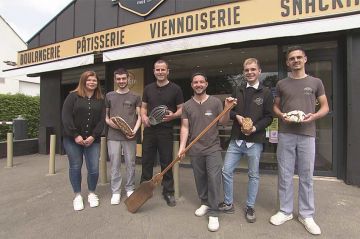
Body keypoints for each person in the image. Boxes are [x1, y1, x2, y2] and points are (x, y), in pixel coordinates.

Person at [269, 46, 329, 235]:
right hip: (286, 133)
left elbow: (325, 107)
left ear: (305, 59)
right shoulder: (282, 84)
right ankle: (285, 211)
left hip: (307, 133)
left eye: (298, 57)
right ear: (287, 62)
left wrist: (314, 116)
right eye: (291, 58)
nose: (295, 61)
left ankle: (306, 214)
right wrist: (282, 116)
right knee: (285, 173)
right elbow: (276, 108)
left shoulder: (316, 82)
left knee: (306, 175)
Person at [218, 58, 273, 223]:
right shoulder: (238, 90)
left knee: (253, 175)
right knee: (226, 171)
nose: (250, 72)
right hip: (236, 140)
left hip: (254, 141)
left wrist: (255, 128)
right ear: (243, 72)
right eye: (247, 70)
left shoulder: (266, 92)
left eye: (253, 69)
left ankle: (250, 206)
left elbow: (269, 117)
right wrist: (238, 116)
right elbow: (230, 111)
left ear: (259, 71)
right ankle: (228, 203)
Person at [178, 72, 233, 232]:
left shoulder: (215, 102)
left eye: (201, 82)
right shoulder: (187, 106)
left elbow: (223, 122)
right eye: (195, 82)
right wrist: (182, 147)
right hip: (195, 149)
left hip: (213, 148)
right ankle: (205, 203)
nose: (199, 84)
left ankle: (214, 212)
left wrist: (227, 109)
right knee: (200, 178)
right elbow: (185, 127)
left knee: (214, 179)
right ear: (192, 85)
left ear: (206, 84)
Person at [140, 59, 184, 207]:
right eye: (157, 70)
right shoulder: (148, 89)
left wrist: (173, 116)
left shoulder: (176, 89)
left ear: (167, 71)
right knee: (146, 160)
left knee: (166, 161)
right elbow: (143, 107)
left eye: (162, 70)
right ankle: (144, 190)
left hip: (166, 130)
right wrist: (144, 117)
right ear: (154, 71)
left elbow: (181, 110)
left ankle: (168, 191)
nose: (160, 72)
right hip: (149, 130)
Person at [62, 70, 105, 211]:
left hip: (93, 140)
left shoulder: (100, 99)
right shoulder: (72, 97)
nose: (92, 82)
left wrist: (93, 136)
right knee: (75, 167)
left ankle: (92, 193)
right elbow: (66, 117)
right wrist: (75, 135)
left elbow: (101, 120)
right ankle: (78, 195)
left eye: (94, 80)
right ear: (83, 81)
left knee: (93, 169)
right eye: (89, 80)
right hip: (72, 139)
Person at [105, 68, 141, 205]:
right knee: (114, 164)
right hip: (113, 136)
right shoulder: (109, 96)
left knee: (131, 163)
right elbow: (107, 117)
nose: (121, 81)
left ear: (128, 79)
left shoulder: (136, 97)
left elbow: (139, 118)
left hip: (130, 136)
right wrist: (112, 124)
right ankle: (115, 191)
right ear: (115, 80)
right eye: (118, 79)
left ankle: (130, 188)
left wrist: (134, 130)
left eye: (123, 78)